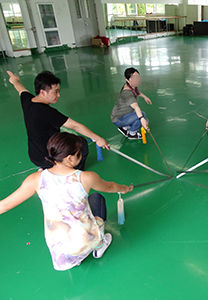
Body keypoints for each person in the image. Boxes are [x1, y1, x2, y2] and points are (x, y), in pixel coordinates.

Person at [0, 132, 133, 271]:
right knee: (97, 198)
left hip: (60, 250)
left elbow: (4, 205)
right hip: (84, 240)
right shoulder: (86, 177)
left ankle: (75, 259)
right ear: (70, 158)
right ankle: (99, 245)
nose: (81, 156)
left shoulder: (36, 179)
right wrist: (124, 188)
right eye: (79, 154)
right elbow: (111, 187)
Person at [7, 70, 109, 170]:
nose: (58, 95)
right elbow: (75, 126)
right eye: (55, 92)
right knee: (80, 142)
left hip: (35, 156)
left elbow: (21, 89)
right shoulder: (47, 112)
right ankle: (72, 172)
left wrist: (14, 80)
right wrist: (97, 138)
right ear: (42, 92)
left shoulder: (28, 100)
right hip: (50, 157)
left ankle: (47, 168)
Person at [111, 67, 151, 140]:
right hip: (118, 118)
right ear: (127, 80)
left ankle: (125, 127)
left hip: (124, 115)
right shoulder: (127, 93)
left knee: (145, 120)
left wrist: (145, 97)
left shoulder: (131, 86)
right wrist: (142, 119)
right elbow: (136, 107)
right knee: (142, 117)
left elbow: (137, 92)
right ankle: (132, 134)